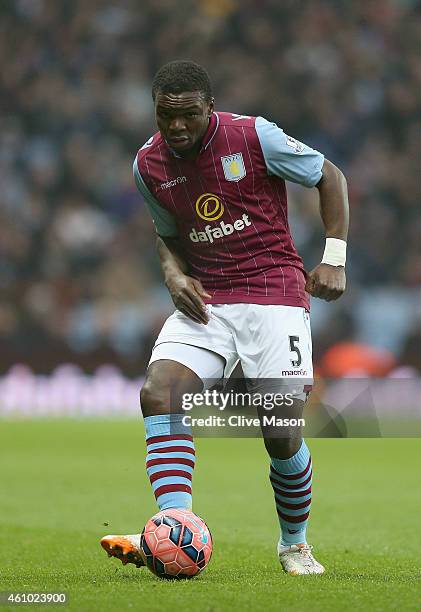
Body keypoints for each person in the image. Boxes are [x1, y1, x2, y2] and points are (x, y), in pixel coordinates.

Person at [100, 60, 348, 575]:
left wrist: (334, 257)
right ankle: (173, 529)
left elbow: (329, 175)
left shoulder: (254, 136)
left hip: (275, 291)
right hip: (208, 300)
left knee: (280, 432)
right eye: (167, 117)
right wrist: (172, 275)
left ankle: (295, 544)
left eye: (189, 115)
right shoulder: (148, 164)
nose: (178, 128)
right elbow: (167, 233)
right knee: (159, 391)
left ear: (209, 107)